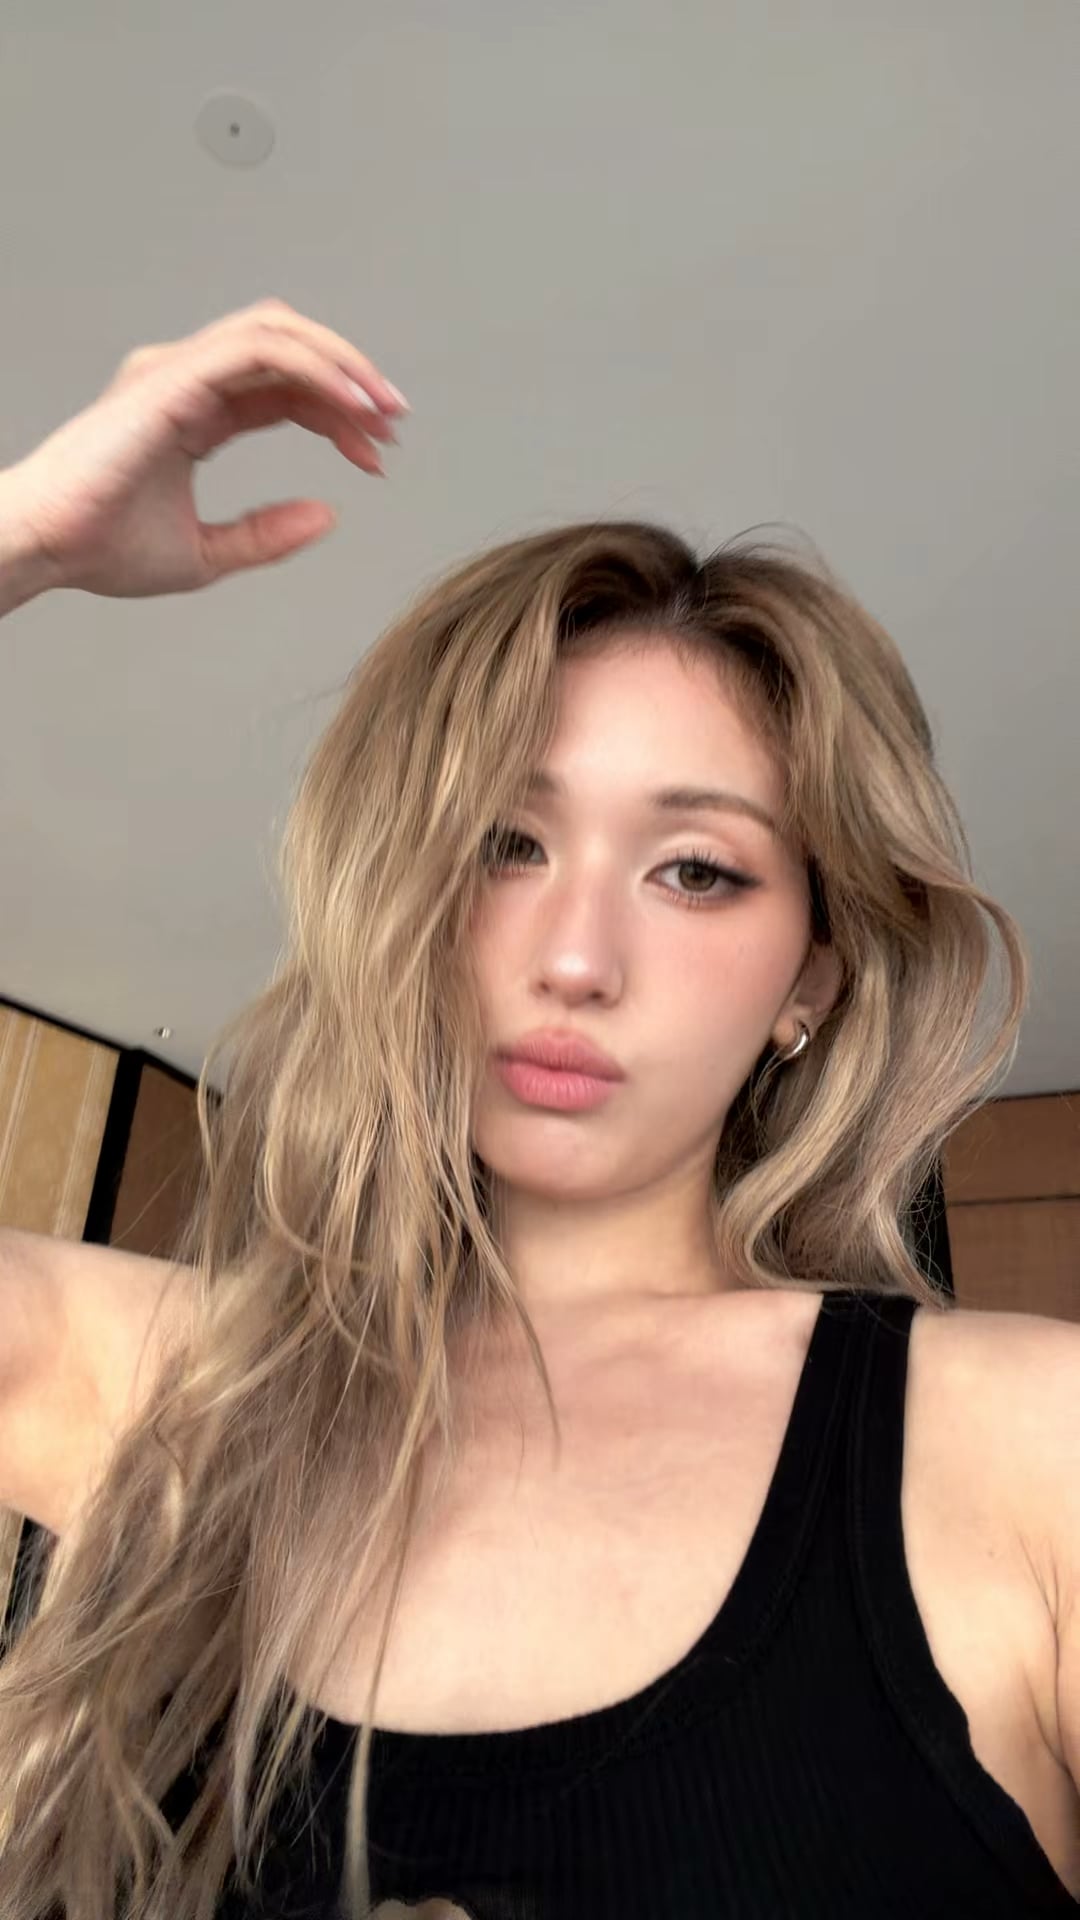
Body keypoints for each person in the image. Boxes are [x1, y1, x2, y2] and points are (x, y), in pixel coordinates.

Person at [0, 301, 1077, 1920]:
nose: (573, 958)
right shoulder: (177, 1397)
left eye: (696, 871)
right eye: (506, 844)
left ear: (812, 979)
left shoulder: (1032, 1450)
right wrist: (17, 538)